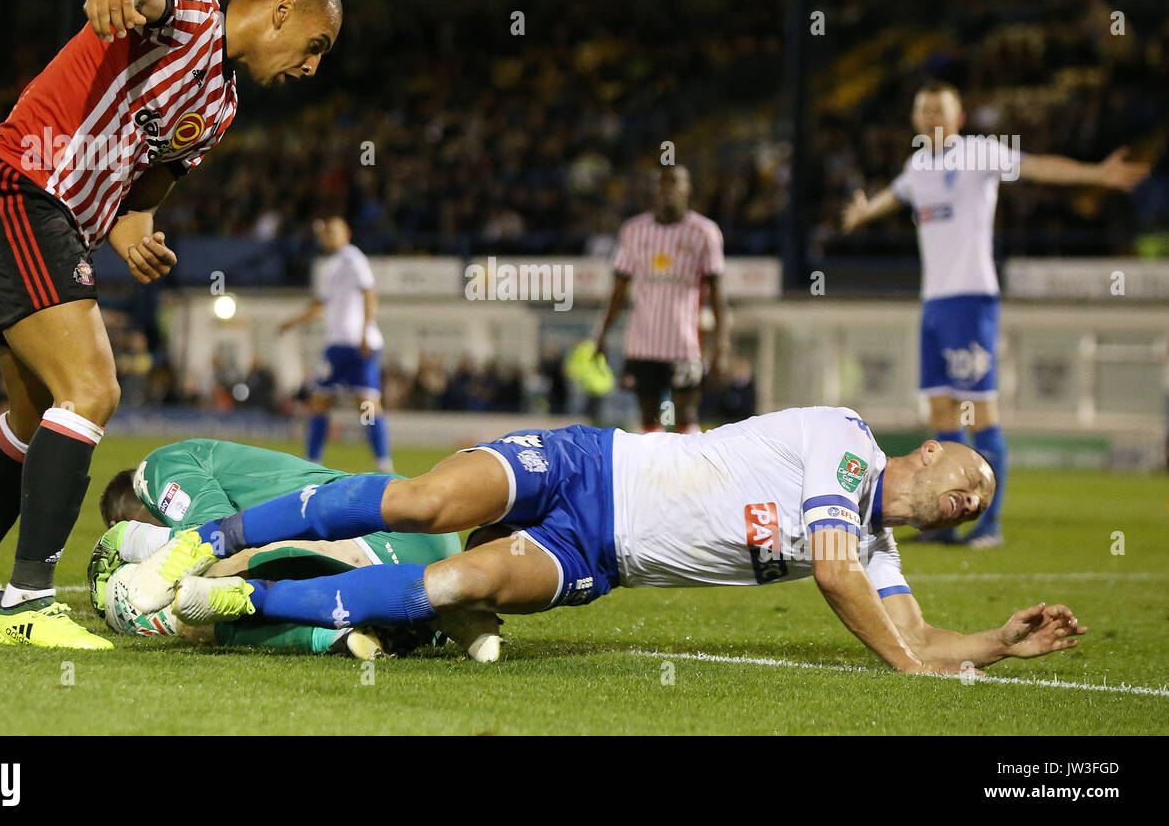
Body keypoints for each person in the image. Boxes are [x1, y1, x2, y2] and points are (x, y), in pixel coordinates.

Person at [0, 0, 342, 649]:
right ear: (280, 13)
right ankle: (27, 600)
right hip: (21, 188)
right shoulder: (198, 5)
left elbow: (142, 193)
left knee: (35, 414)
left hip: (52, 215)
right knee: (91, 391)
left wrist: (136, 232)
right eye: (315, 46)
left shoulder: (221, 107)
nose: (311, 69)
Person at [132, 407, 1085, 676]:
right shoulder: (844, 446)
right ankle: (207, 538)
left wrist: (997, 642)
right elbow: (840, 581)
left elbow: (915, 638)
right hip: (590, 465)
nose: (968, 499)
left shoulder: (881, 550)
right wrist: (911, 668)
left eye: (979, 504)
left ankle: (234, 599)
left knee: (454, 583)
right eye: (965, 477)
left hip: (599, 557)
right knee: (422, 504)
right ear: (923, 452)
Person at [841, 80, 1149, 548]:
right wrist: (865, 213)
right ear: (914, 119)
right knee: (943, 410)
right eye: (924, 110)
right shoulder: (918, 165)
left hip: (971, 299)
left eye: (940, 110)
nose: (931, 118)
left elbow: (1036, 166)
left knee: (980, 411)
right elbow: (896, 194)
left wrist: (1095, 174)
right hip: (935, 305)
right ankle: (947, 523)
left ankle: (990, 524)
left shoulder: (978, 153)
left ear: (959, 118)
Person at [90, 438, 499, 660]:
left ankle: (349, 630)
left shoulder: (159, 466)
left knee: (208, 587)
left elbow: (210, 534)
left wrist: (128, 546)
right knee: (217, 592)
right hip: (418, 536)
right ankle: (395, 624)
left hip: (374, 531)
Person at [594, 164, 728, 434]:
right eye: (661, 183)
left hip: (684, 344)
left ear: (687, 188)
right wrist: (602, 333)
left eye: (674, 182)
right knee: (649, 417)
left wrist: (722, 345)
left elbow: (717, 295)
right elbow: (619, 290)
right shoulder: (633, 230)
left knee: (686, 416)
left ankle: (689, 475)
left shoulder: (705, 232)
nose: (667, 188)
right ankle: (652, 474)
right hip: (642, 344)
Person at [279, 217, 392, 471]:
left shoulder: (353, 257)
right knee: (320, 402)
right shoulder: (328, 266)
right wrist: (291, 322)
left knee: (367, 405)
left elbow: (369, 292)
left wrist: (365, 331)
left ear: (347, 233)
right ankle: (312, 464)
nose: (327, 236)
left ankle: (384, 465)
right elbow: (321, 306)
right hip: (336, 346)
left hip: (357, 344)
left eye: (333, 231)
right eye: (325, 232)